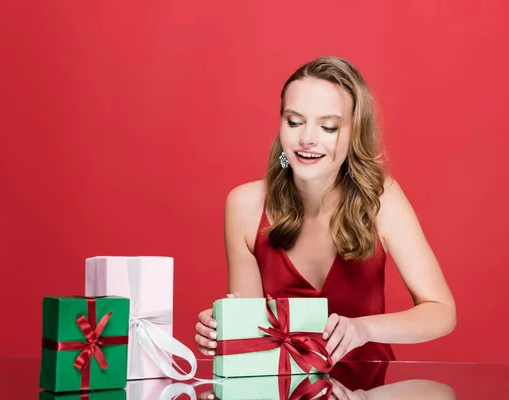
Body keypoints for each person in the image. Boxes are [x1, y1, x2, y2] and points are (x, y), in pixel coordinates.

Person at [195, 55, 456, 364]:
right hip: (282, 390)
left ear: (352, 134)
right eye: (294, 122)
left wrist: (363, 329)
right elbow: (253, 340)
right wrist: (223, 331)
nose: (307, 139)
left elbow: (441, 312)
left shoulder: (381, 199)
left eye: (329, 127)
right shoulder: (244, 205)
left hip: (369, 393)